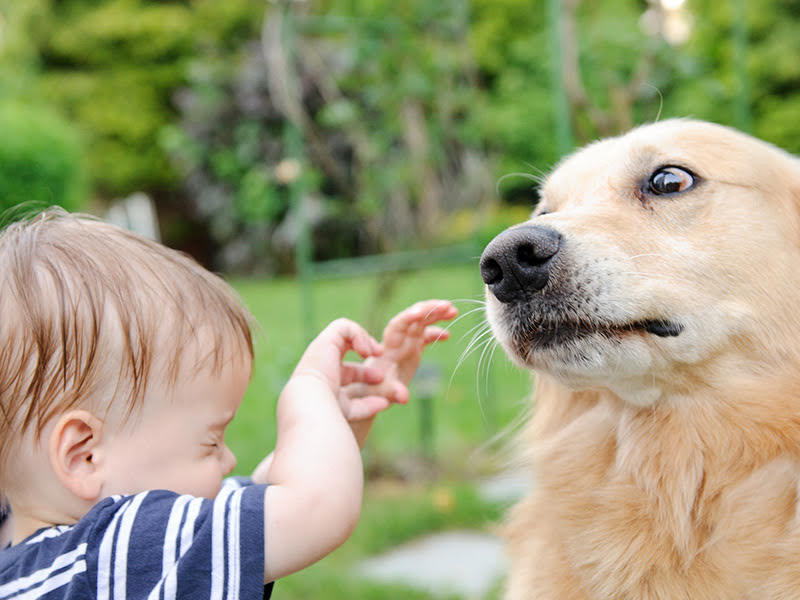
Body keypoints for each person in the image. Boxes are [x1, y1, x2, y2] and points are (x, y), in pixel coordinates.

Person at [0, 208, 457, 599]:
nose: (229, 457)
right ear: (84, 454)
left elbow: (262, 495)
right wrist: (309, 392)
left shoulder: (37, 563)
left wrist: (332, 422)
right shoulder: (113, 554)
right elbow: (314, 506)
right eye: (211, 441)